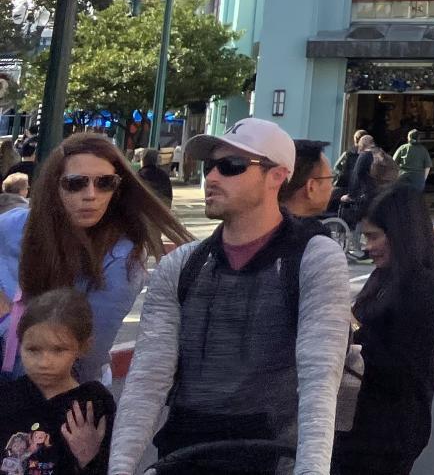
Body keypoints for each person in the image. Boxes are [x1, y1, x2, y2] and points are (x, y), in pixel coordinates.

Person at [108, 118, 353, 475]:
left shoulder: (313, 258)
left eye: (232, 166)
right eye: (210, 166)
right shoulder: (181, 265)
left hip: (271, 458)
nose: (212, 177)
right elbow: (148, 377)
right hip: (184, 456)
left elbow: (320, 377)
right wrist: (121, 468)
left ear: (277, 176)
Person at [0, 134, 189, 386]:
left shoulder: (123, 258)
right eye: (75, 183)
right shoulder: (14, 227)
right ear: (53, 186)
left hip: (62, 398)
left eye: (105, 183)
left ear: (118, 188)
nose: (91, 194)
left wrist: (7, 318)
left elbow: (82, 360)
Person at [331, 185, 434, 475]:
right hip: (361, 427)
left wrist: (348, 331)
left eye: (374, 236)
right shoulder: (383, 278)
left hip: (386, 434)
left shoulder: (422, 290)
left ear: (400, 235)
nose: (367, 246)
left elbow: (401, 370)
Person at [0, 289, 115, 475]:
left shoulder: (92, 404)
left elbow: (111, 466)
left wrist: (90, 458)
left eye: (58, 350)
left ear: (82, 347)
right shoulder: (9, 396)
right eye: (33, 350)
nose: (44, 362)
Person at [279, 141, 337, 225]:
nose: (332, 187)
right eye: (330, 179)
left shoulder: (262, 230)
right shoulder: (313, 236)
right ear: (311, 187)